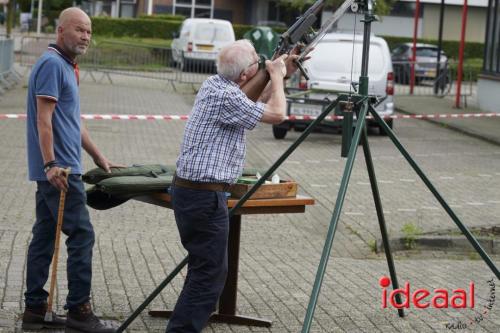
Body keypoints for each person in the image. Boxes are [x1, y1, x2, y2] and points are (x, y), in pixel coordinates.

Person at [167, 39, 304, 332]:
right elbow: (278, 114)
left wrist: (285, 70)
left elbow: (253, 98)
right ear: (244, 75)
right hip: (203, 196)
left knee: (205, 270)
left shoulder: (216, 86)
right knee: (210, 275)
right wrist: (277, 77)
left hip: (195, 193)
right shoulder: (226, 98)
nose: (262, 63)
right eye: (258, 61)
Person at [23, 7, 119, 333]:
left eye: (89, 31)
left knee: (44, 238)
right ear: (60, 31)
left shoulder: (67, 66)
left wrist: (98, 157)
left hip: (64, 168)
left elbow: (73, 122)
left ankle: (35, 310)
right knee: (81, 236)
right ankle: (80, 310)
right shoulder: (52, 64)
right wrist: (51, 164)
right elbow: (43, 119)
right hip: (61, 172)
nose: (86, 37)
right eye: (79, 30)